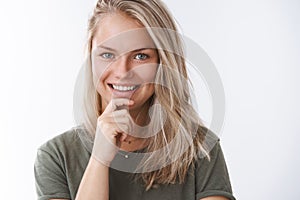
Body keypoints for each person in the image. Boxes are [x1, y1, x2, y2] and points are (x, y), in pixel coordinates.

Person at [34, 0, 235, 200]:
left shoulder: (200, 149)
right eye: (107, 54)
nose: (123, 72)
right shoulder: (56, 157)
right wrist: (99, 160)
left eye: (140, 56)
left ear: (163, 62)